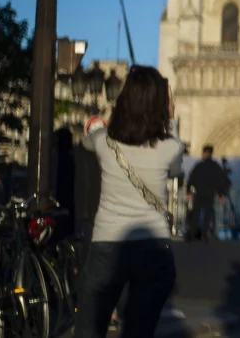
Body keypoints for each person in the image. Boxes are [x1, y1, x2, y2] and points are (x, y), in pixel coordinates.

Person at [75, 65, 184, 338]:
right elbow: (175, 170)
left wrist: (106, 122)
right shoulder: (171, 147)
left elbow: (89, 137)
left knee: (89, 329)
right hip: (154, 248)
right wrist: (169, 119)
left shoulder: (103, 143)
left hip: (106, 245)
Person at [186, 145, 230, 242]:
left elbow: (191, 178)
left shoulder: (199, 166)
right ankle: (204, 234)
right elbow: (220, 181)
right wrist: (221, 194)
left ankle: (193, 235)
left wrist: (188, 190)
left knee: (196, 213)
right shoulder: (215, 166)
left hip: (199, 193)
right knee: (207, 214)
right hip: (209, 193)